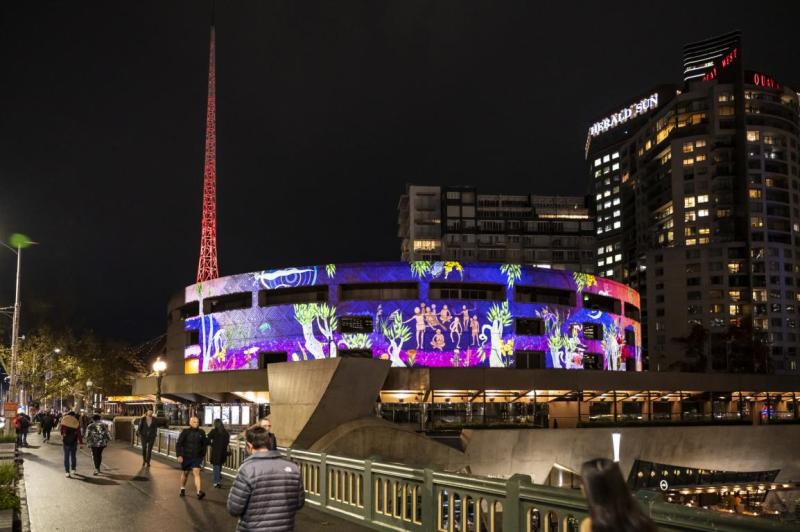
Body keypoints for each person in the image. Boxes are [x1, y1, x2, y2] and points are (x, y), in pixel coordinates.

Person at [227, 425, 304, 531]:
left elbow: (234, 509)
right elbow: (299, 503)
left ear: (249, 446)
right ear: (269, 443)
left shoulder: (247, 470)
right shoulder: (293, 468)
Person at [579, 458, 657, 532]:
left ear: (590, 492)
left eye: (583, 483)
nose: (581, 486)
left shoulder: (589, 527)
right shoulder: (643, 523)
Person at [176, 416, 208, 499]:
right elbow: (179, 444)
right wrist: (179, 455)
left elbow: (204, 445)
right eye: (194, 422)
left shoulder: (202, 432)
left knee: (196, 472)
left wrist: (203, 455)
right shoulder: (185, 432)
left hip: (197, 457)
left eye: (197, 422)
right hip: (186, 456)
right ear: (190, 423)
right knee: (185, 473)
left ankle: (199, 492)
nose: (196, 423)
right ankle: (182, 488)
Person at [207, 419, 230, 488]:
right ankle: (218, 479)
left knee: (216, 467)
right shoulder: (225, 432)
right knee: (219, 466)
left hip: (216, 452)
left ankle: (216, 482)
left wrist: (212, 444)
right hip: (223, 451)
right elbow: (227, 442)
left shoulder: (214, 431)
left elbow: (208, 439)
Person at [60, 413, 83, 478]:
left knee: (66, 457)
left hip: (66, 442)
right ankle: (73, 469)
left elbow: (61, 431)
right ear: (73, 416)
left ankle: (67, 472)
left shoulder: (64, 420)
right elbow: (79, 433)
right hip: (74, 442)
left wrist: (64, 434)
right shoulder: (76, 422)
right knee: (73, 456)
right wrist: (81, 443)